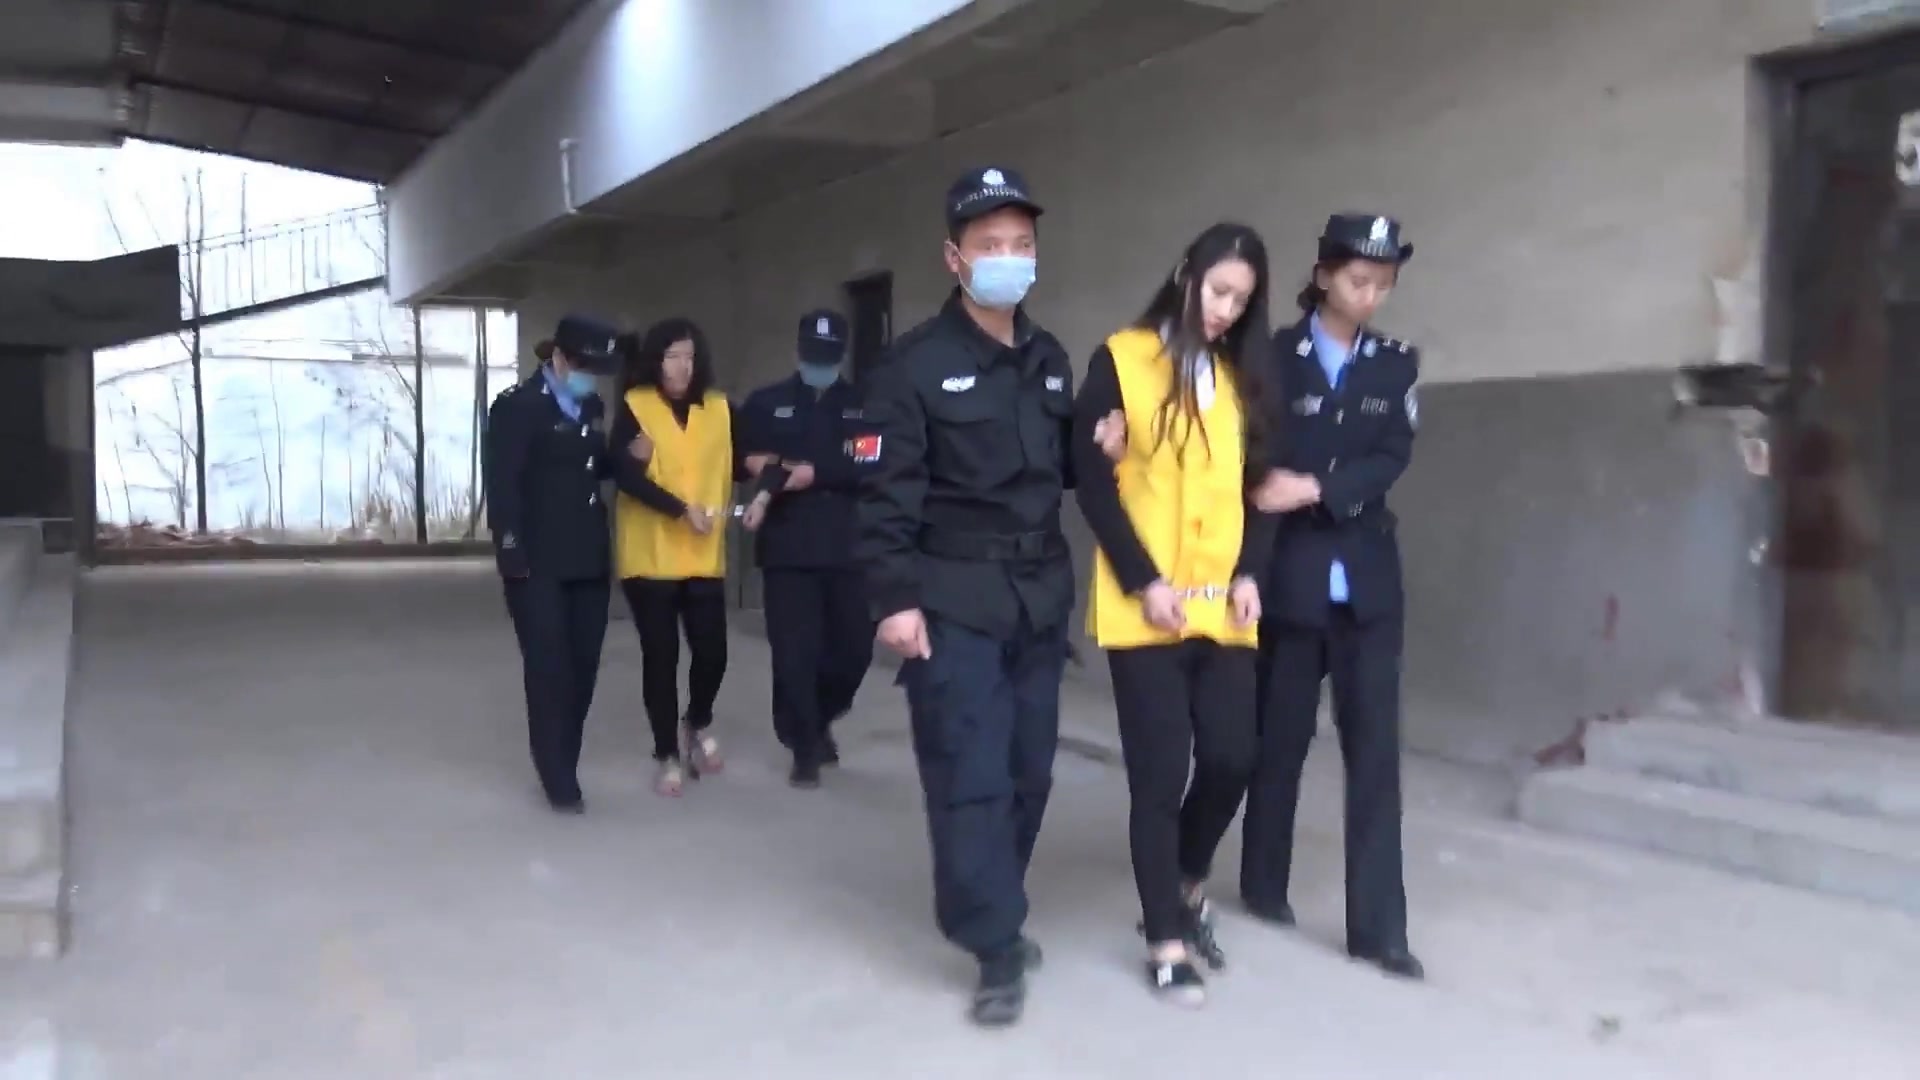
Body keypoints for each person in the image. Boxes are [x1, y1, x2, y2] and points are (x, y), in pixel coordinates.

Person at [855, 165, 1074, 1027]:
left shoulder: (1049, 360)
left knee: (1029, 771)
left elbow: (1069, 470)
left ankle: (996, 905)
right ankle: (994, 943)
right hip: (952, 598)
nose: (1008, 258)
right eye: (990, 245)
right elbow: (884, 497)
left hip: (1039, 596)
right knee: (970, 773)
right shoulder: (910, 367)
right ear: (955, 258)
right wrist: (894, 599)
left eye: (1021, 244)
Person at [1072, 222, 1280, 1006]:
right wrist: (1140, 580)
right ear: (1186, 275)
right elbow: (1092, 484)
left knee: (1232, 757)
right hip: (1146, 610)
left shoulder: (1240, 381)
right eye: (1218, 290)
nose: (1225, 309)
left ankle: (1186, 880)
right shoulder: (1122, 360)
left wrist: (1252, 572)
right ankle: (1164, 936)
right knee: (1160, 774)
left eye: (1240, 300)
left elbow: (1259, 491)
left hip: (1222, 610)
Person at [1239, 212, 1425, 980]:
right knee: (1278, 742)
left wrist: (1315, 486)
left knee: (1374, 756)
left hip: (1368, 584)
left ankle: (1380, 931)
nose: (1370, 294)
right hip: (1292, 578)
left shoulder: (1396, 365)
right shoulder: (1271, 360)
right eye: (1358, 279)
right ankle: (1262, 884)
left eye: (1383, 283)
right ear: (1322, 276)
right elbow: (1252, 459)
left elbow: (1392, 455)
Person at [734, 309, 882, 789]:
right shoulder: (766, 402)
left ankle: (818, 718)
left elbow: (873, 464)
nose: (821, 363)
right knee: (794, 653)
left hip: (848, 546)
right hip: (788, 549)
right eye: (814, 354)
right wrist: (759, 465)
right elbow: (740, 458)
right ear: (798, 350)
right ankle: (803, 747)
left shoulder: (865, 404)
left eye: (829, 355)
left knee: (853, 651)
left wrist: (817, 473)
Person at [484, 314, 622, 814]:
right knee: (549, 668)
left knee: (583, 668)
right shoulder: (516, 407)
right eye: (584, 366)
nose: (591, 377)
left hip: (588, 558)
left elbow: (592, 466)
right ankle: (555, 773)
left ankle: (566, 756)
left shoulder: (592, 406)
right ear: (559, 357)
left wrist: (632, 458)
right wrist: (511, 554)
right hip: (537, 563)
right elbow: (502, 485)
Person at [608, 317, 749, 797]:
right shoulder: (636, 406)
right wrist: (677, 508)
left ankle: (696, 721)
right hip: (650, 558)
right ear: (656, 360)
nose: (682, 366)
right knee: (661, 657)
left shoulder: (719, 408)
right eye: (672, 356)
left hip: (703, 555)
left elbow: (740, 461)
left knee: (713, 654)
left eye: (689, 356)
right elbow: (623, 474)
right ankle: (666, 752)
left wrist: (772, 469)